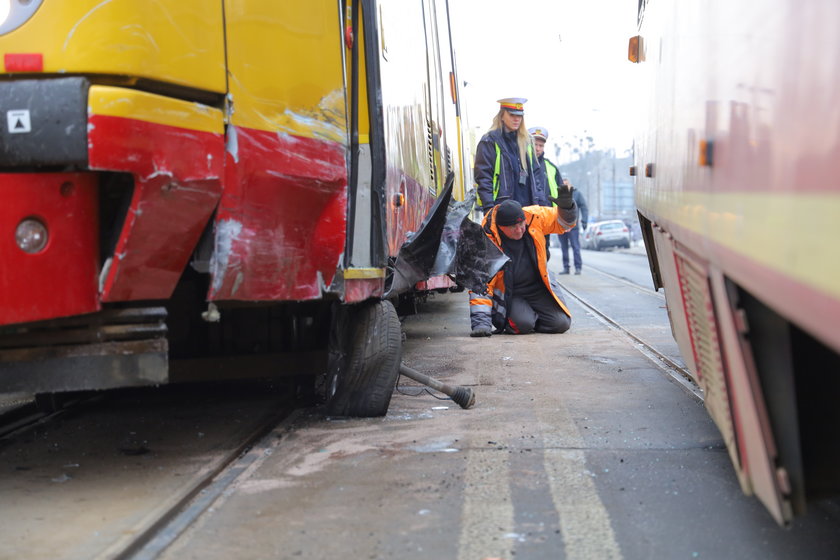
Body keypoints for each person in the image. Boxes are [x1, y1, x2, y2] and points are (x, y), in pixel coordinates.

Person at [468, 188, 577, 337]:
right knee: (523, 325)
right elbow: (480, 283)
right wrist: (481, 323)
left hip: (537, 288)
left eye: (521, 225)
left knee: (561, 323)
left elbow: (564, 224)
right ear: (500, 228)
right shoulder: (486, 241)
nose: (519, 230)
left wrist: (567, 209)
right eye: (513, 227)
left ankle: (533, 318)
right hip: (512, 293)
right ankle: (526, 319)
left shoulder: (534, 217)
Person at [529, 126, 590, 274]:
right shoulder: (517, 163)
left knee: (544, 253)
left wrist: (568, 218)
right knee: (526, 255)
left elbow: (562, 199)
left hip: (545, 222)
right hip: (524, 221)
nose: (538, 148)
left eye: (541, 145)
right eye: (535, 144)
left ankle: (572, 269)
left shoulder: (551, 168)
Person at [473, 98, 549, 212]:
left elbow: (537, 178)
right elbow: (484, 178)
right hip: (503, 210)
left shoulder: (527, 142)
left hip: (529, 210)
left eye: (519, 116)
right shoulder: (490, 141)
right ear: (502, 115)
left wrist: (542, 206)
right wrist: (489, 209)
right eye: (512, 115)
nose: (516, 119)